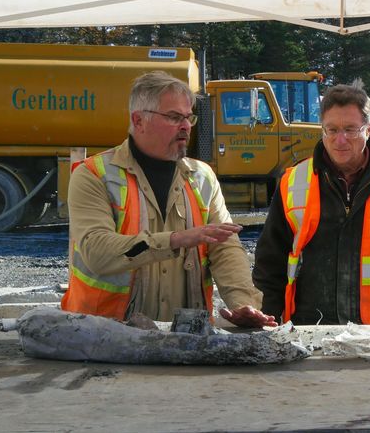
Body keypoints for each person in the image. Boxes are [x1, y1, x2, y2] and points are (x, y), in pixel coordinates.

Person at [61, 71, 276, 327]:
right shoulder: (93, 175)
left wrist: (243, 302)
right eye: (174, 117)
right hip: (105, 339)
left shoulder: (202, 176)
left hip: (185, 339)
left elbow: (225, 247)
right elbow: (97, 252)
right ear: (138, 120)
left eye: (188, 117)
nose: (186, 126)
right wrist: (176, 240)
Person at [253, 80, 370, 325]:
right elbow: (270, 263)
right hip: (307, 330)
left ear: (369, 128)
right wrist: (268, 321)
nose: (340, 140)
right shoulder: (293, 182)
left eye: (350, 130)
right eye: (331, 130)